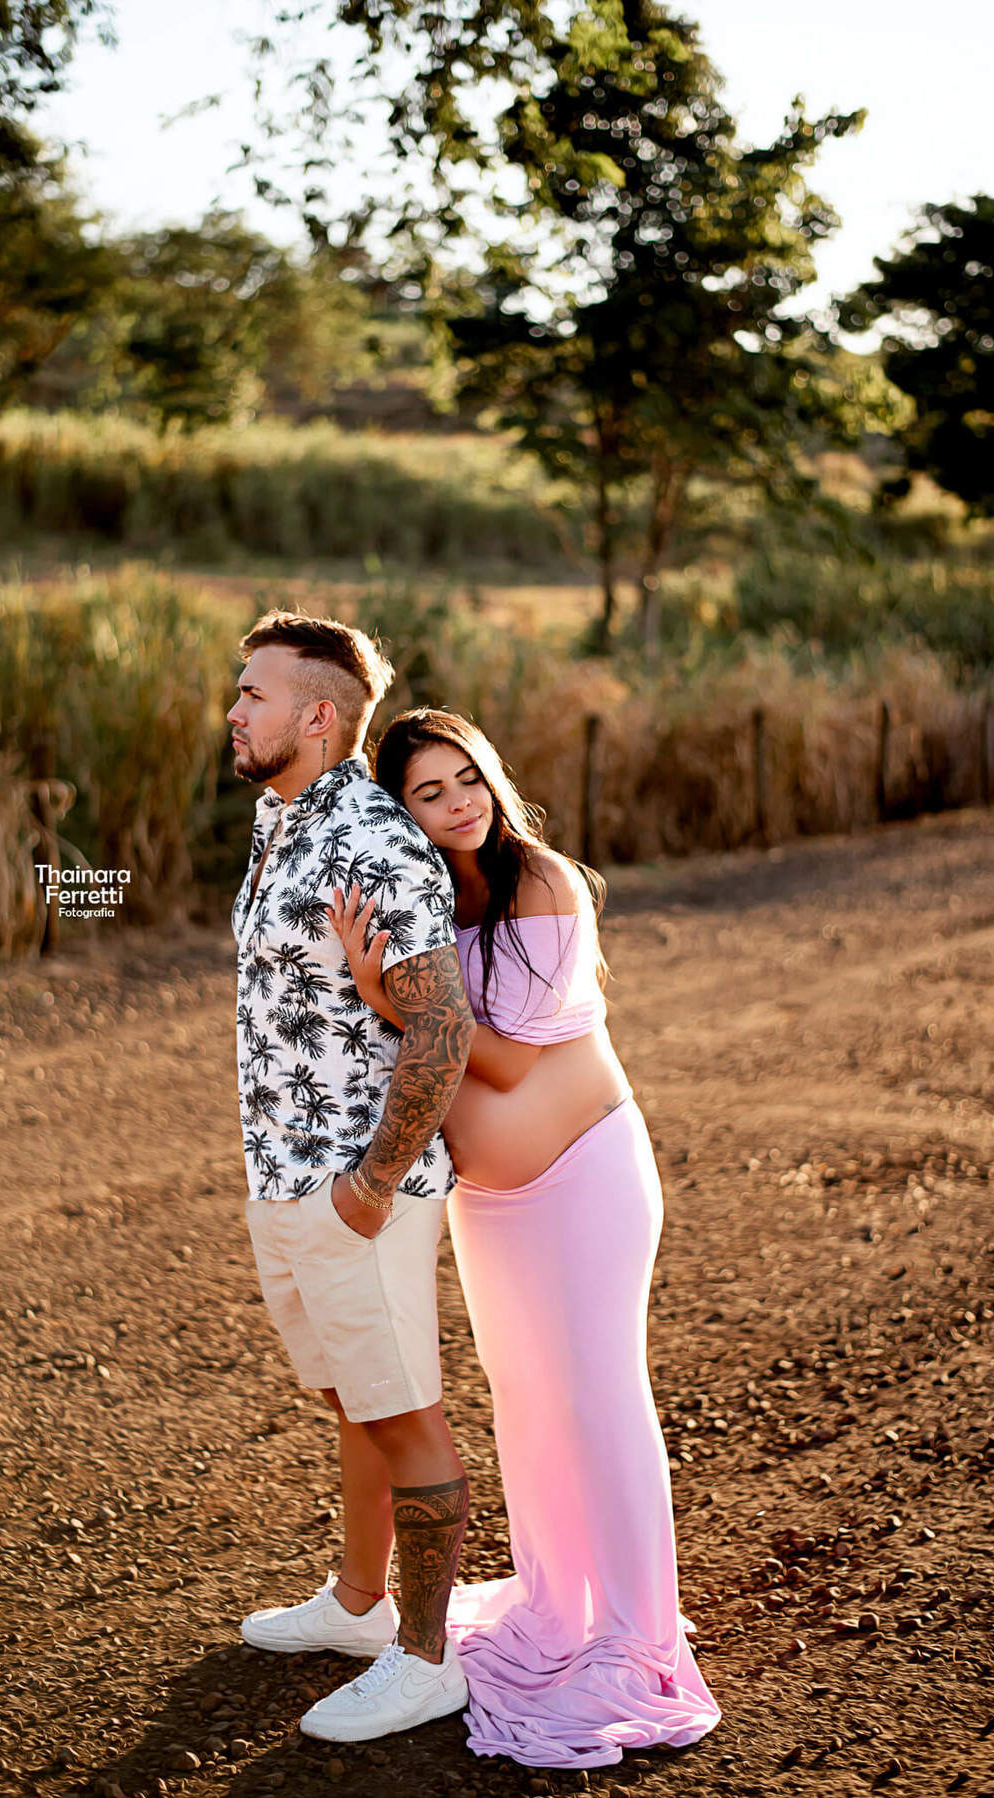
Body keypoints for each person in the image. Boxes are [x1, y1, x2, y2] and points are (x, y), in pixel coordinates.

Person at [328, 707, 722, 1771]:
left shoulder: (543, 882)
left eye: (468, 778)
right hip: (491, 1201)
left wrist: (383, 991)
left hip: (586, 1177)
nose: (460, 803)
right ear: (403, 813)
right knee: (528, 1402)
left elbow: (500, 1062)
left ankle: (637, 1634)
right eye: (429, 792)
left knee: (601, 1398)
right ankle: (564, 1601)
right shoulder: (425, 896)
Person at [226, 617, 478, 1745]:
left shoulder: (374, 843)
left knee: (405, 1417)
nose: (235, 711)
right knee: (352, 1399)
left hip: (355, 1192)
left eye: (255, 694)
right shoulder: (278, 819)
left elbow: (442, 1027)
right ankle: (360, 1603)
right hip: (282, 1175)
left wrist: (371, 1186)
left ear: (318, 716)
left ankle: (426, 1663)